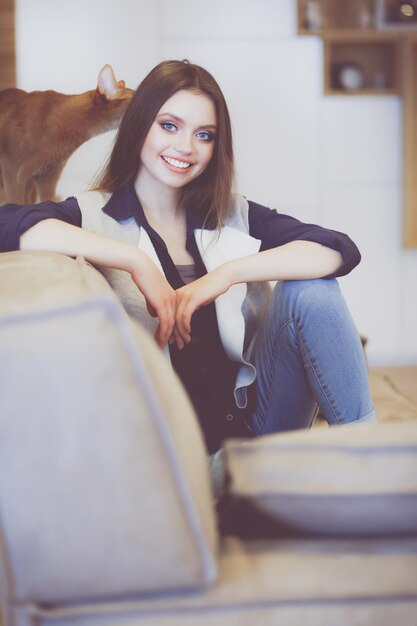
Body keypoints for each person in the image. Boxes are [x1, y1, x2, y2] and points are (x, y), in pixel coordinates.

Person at [0, 60, 376, 454]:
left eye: (204, 135)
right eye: (169, 126)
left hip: (257, 432)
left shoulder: (232, 213)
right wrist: (133, 259)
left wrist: (226, 275)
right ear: (138, 124)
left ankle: (371, 462)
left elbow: (337, 250)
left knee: (312, 292)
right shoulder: (92, 216)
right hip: (169, 453)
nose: (185, 147)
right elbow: (9, 225)